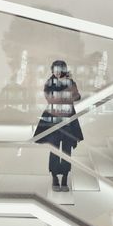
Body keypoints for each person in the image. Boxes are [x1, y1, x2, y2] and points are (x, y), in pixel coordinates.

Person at [33, 60, 84, 192]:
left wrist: (65, 91)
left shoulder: (70, 82)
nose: (57, 72)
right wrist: (67, 94)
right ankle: (55, 177)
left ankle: (65, 178)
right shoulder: (50, 82)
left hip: (68, 119)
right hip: (53, 120)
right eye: (55, 69)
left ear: (63, 69)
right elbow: (51, 99)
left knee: (67, 151)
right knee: (54, 149)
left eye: (59, 69)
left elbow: (77, 97)